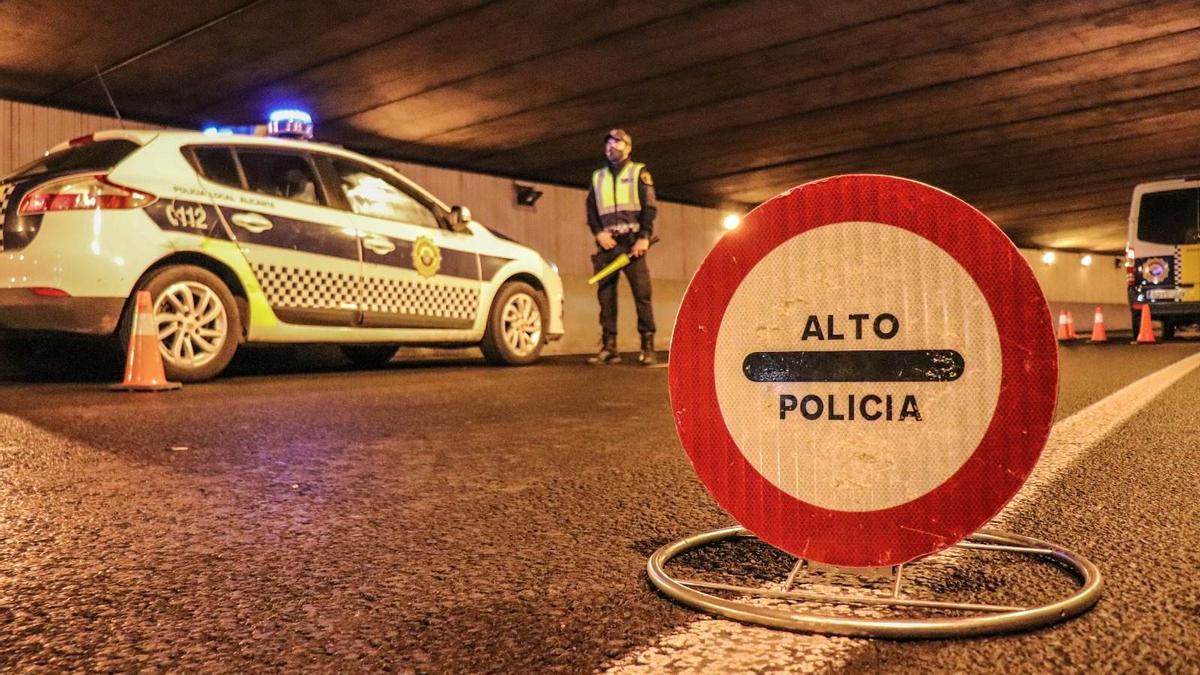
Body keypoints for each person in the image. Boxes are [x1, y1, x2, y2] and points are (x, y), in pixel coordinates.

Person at [585, 128, 657, 366]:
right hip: (608, 245)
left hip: (633, 243)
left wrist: (644, 237)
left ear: (628, 148)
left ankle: (648, 346)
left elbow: (648, 207)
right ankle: (609, 347)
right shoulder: (598, 177)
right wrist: (599, 233)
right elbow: (592, 210)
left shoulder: (639, 173)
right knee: (605, 297)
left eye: (616, 143)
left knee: (642, 295)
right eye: (608, 143)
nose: (610, 147)